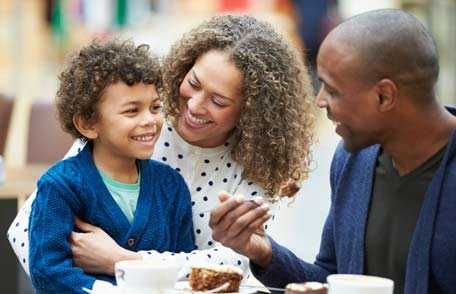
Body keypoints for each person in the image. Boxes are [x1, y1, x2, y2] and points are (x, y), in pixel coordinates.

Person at [7, 15, 315, 282]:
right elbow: (25, 233)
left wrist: (122, 261)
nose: (194, 105)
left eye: (218, 101)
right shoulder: (141, 122)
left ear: (251, 111)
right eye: (193, 83)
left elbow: (235, 265)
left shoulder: (260, 162)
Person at [209, 9, 456, 294]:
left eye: (333, 90)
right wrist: (264, 252)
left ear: (384, 96)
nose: (320, 101)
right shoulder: (354, 160)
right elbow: (331, 277)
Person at [25, 40, 196, 293]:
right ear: (88, 124)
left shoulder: (171, 185)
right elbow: (47, 273)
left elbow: (184, 272)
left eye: (155, 108)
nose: (150, 120)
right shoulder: (60, 185)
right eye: (132, 111)